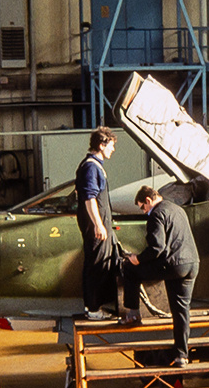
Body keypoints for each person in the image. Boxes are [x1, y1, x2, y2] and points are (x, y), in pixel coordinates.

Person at [121, 185, 200, 366]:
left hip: (173, 266)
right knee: (181, 310)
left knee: (130, 270)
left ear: (148, 201)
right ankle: (182, 355)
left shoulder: (156, 214)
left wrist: (137, 259)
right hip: (192, 264)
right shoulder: (177, 209)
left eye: (142, 207)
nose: (144, 211)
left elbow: (157, 248)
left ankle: (132, 314)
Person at [77, 127, 121, 320]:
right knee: (96, 264)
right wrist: (98, 224)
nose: (113, 150)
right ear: (101, 145)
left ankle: (95, 307)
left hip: (100, 223)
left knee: (99, 263)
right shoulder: (91, 167)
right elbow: (89, 197)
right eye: (111, 146)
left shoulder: (95, 165)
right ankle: (93, 309)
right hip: (96, 225)